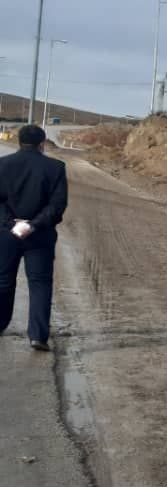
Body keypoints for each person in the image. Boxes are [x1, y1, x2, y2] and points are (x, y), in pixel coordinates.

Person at [0, 125, 68, 352]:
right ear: (42, 143)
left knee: (3, 281)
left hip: (6, 235)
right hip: (40, 235)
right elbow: (57, 206)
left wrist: (12, 224)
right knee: (39, 284)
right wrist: (34, 225)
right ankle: (38, 336)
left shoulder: (2, 164)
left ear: (19, 141)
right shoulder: (56, 167)